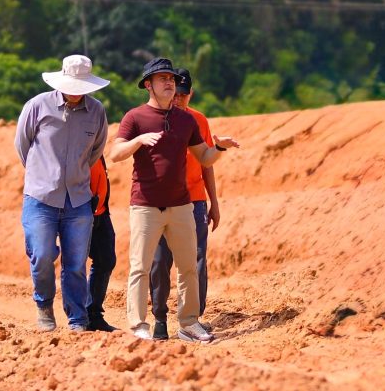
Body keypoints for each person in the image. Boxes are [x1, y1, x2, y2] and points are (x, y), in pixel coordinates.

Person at [109, 57, 236, 344]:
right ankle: (139, 325)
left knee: (189, 267)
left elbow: (204, 158)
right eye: (162, 78)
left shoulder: (186, 120)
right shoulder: (135, 117)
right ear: (148, 85)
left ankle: (189, 324)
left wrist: (219, 148)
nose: (169, 83)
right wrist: (138, 141)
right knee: (141, 267)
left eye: (171, 78)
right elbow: (115, 154)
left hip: (181, 206)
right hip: (145, 205)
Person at [14, 54, 110, 332]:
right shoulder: (37, 106)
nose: (76, 92)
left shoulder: (96, 111)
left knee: (76, 263)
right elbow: (22, 145)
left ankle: (77, 318)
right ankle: (44, 304)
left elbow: (95, 151)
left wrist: (75, 175)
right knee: (42, 255)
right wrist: (43, 174)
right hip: (41, 197)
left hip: (78, 199)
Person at [148, 68, 238, 339]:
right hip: (163, 201)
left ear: (191, 94)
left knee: (196, 260)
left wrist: (214, 203)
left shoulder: (198, 120)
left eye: (184, 95)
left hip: (195, 200)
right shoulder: (154, 119)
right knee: (160, 261)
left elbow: (207, 163)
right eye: (176, 93)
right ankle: (159, 318)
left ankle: (192, 319)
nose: (178, 99)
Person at [86, 156, 118, 332]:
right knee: (74, 263)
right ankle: (78, 317)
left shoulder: (95, 143)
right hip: (78, 211)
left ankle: (93, 315)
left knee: (106, 260)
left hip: (100, 211)